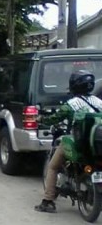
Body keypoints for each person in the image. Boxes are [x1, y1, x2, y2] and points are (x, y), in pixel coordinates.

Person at [35, 70, 102, 213]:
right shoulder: (99, 102)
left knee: (52, 167)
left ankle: (48, 201)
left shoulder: (71, 104)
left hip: (77, 144)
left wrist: (41, 119)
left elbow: (54, 118)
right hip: (95, 146)